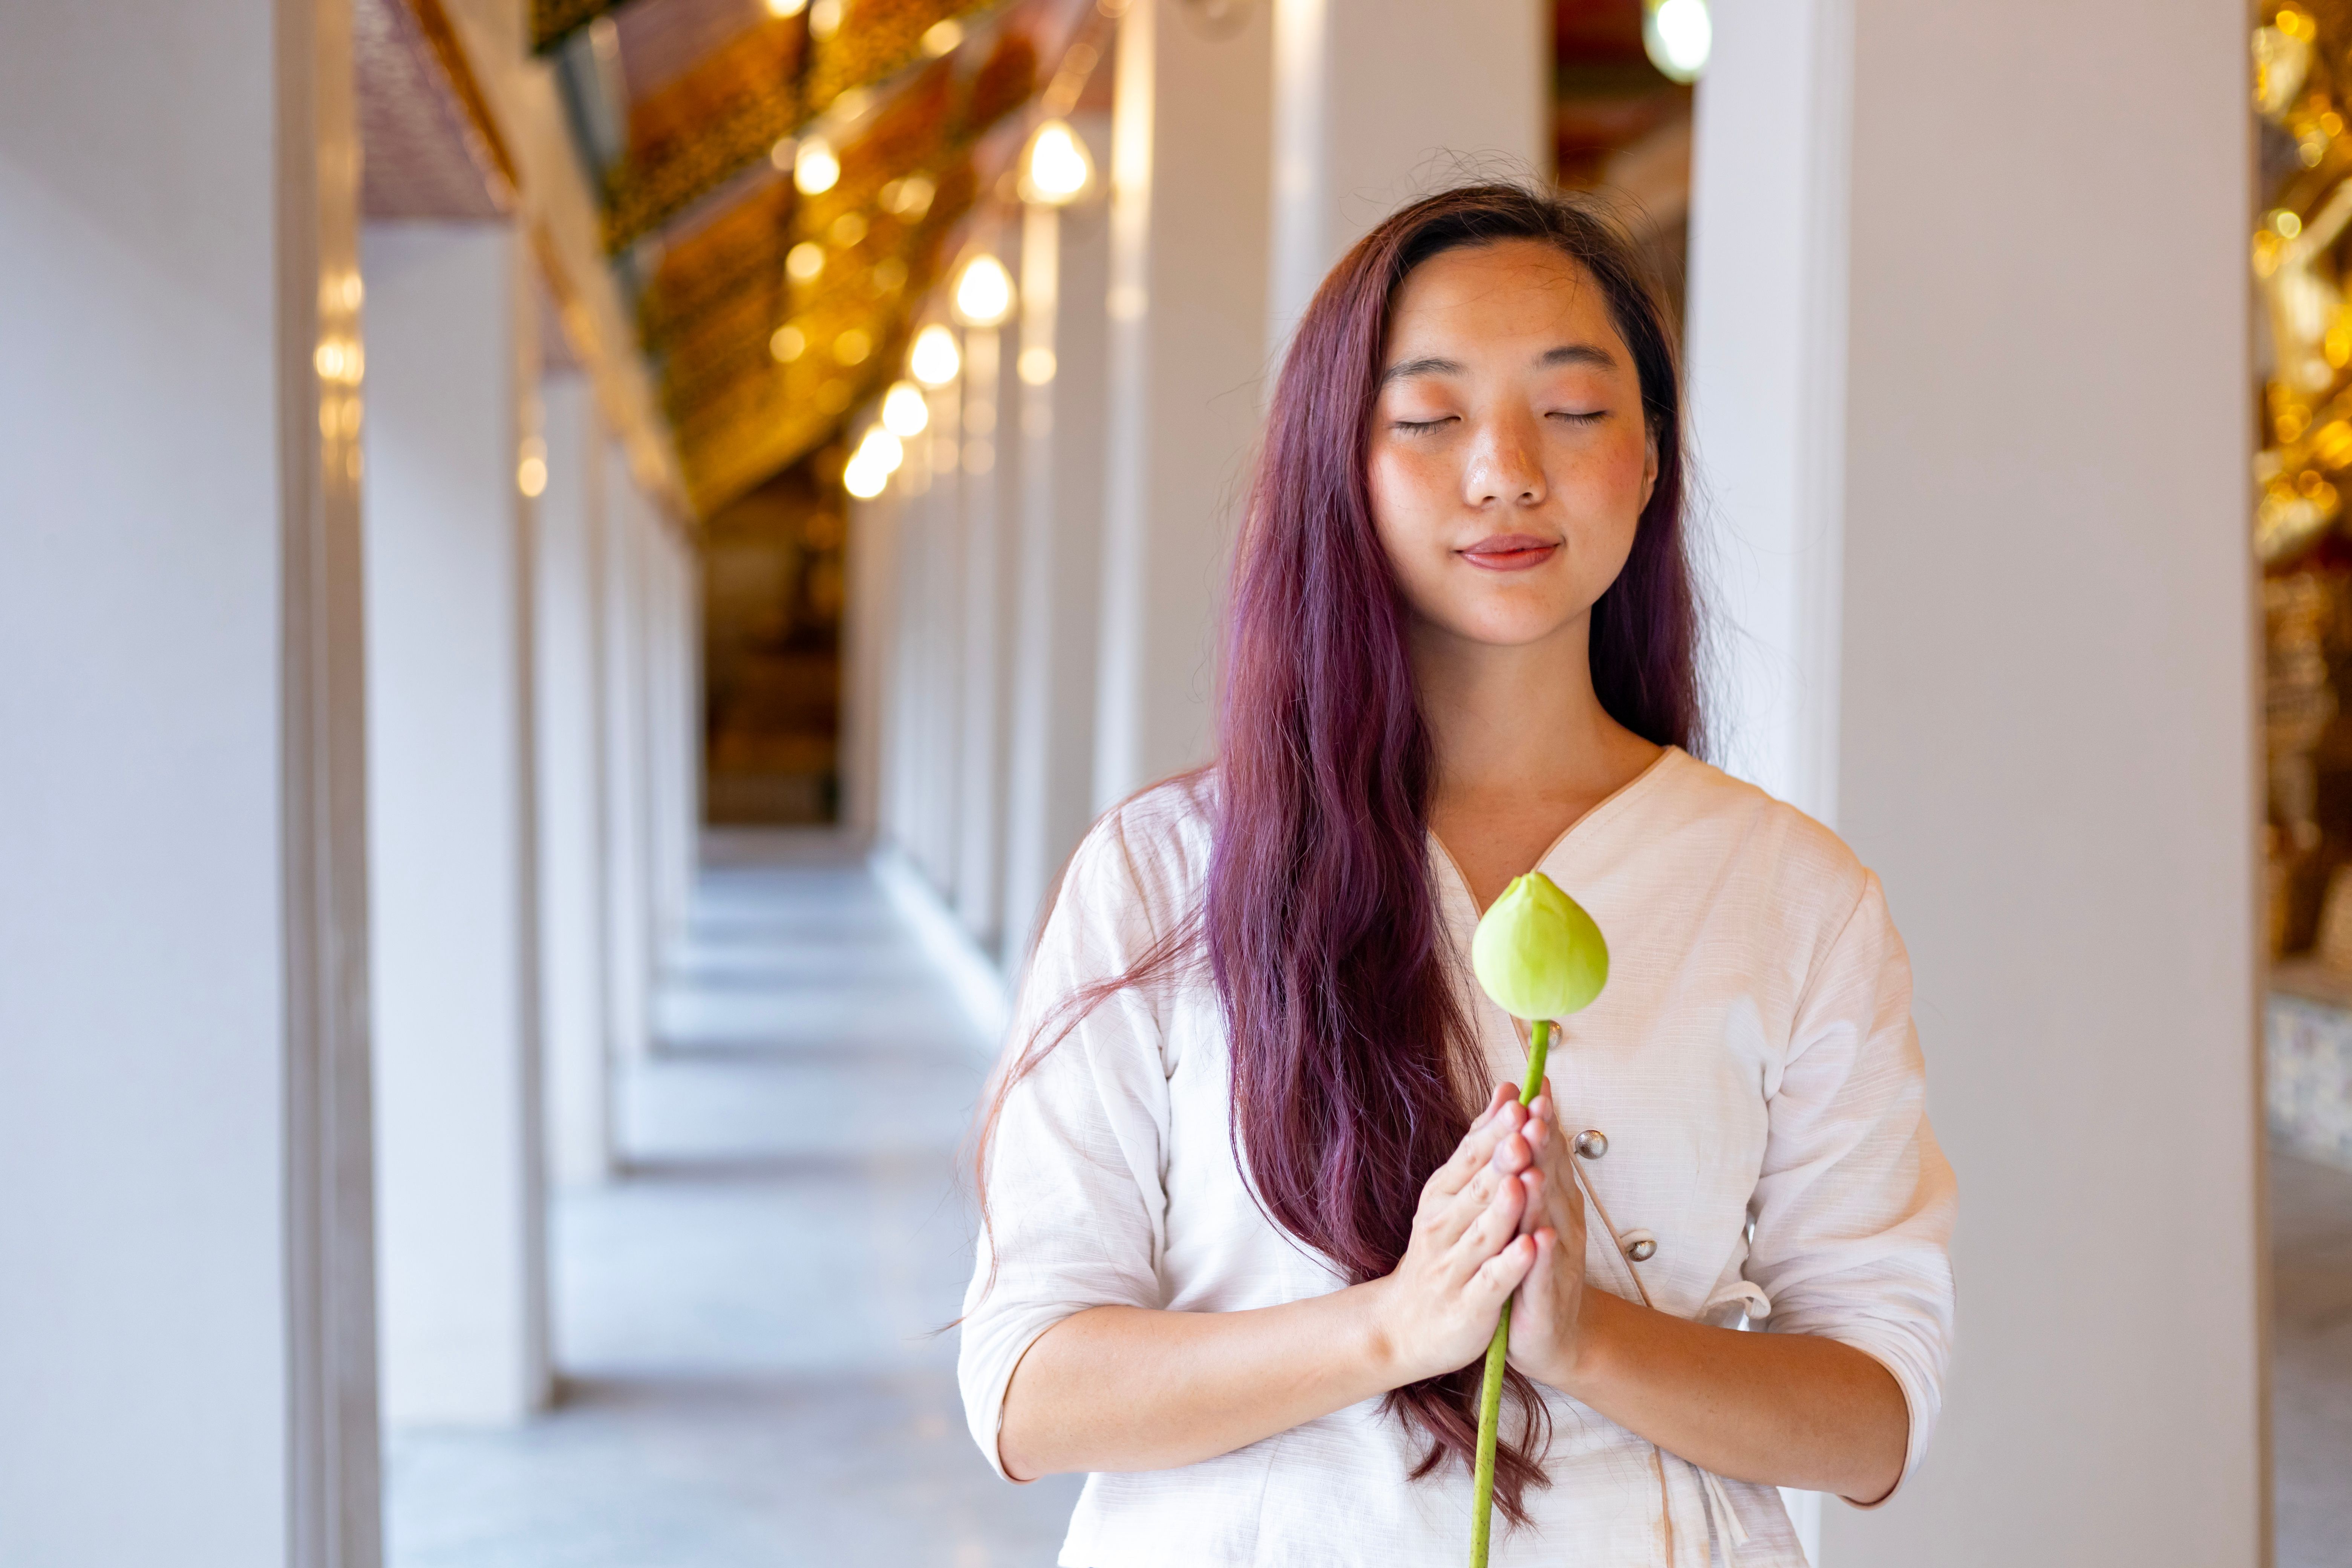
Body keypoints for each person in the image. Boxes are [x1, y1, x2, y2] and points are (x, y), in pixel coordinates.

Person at [957, 182, 1956, 1567]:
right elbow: (1024, 1387)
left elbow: (1870, 1418)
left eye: (1575, 408)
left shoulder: (1791, 894)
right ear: (1340, 468)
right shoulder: (1167, 871)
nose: (1505, 468)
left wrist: (1591, 1339)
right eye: (1428, 418)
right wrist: (1394, 1323)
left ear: (1654, 457)